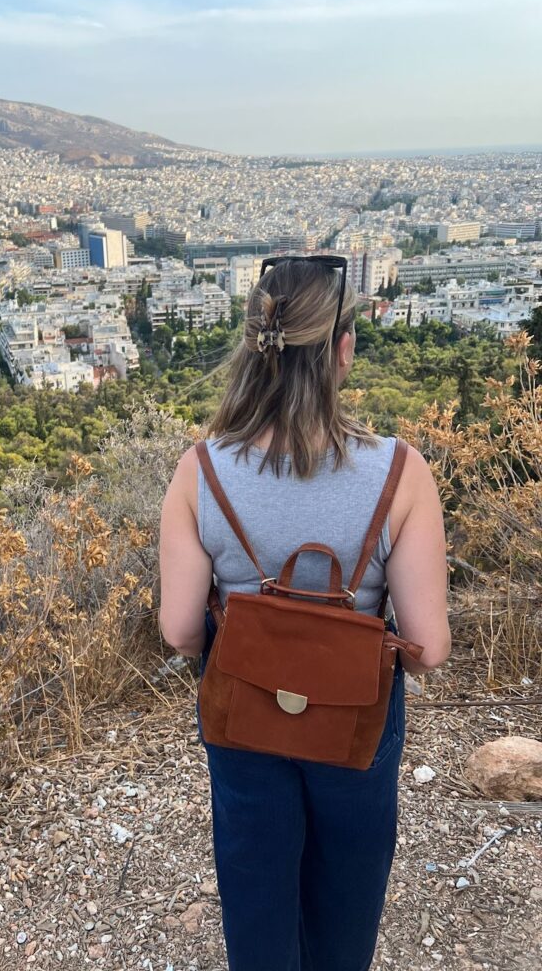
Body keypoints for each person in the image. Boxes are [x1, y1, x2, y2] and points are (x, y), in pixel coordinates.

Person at [158, 257, 451, 971]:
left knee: (256, 890)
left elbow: (179, 631)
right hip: (354, 714)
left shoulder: (200, 470)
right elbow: (427, 646)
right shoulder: (400, 472)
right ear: (343, 350)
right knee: (346, 894)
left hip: (244, 713)